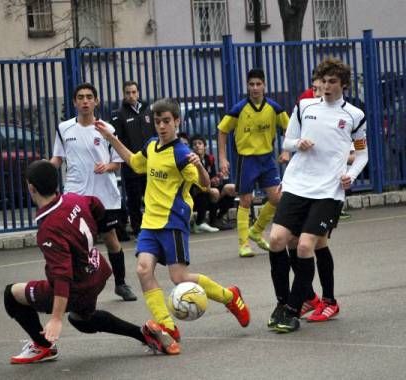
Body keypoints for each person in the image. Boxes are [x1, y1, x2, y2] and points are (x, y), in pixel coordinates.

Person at [95, 98, 250, 355]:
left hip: (173, 221)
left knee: (179, 278)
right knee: (144, 270)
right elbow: (135, 163)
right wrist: (111, 139)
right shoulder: (152, 146)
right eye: (157, 122)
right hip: (150, 221)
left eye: (166, 121)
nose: (162, 126)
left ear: (176, 121)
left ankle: (230, 296)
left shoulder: (181, 153)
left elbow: (203, 184)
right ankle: (168, 327)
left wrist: (199, 165)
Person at [4, 160, 164, 364]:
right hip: (96, 273)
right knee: (82, 319)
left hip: (75, 286)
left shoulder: (49, 228)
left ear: (31, 187)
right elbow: (95, 203)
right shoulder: (72, 199)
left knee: (11, 294)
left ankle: (43, 346)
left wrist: (55, 319)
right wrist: (102, 231)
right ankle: (144, 334)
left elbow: (62, 275)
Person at [267, 58, 368, 333]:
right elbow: (287, 141)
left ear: (343, 84)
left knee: (305, 246)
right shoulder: (304, 106)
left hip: (328, 191)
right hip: (298, 184)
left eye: (332, 81)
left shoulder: (354, 115)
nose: (326, 86)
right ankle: (282, 302)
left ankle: (292, 309)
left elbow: (362, 153)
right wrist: (298, 143)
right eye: (323, 81)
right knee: (276, 240)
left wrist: (352, 174)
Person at [50, 83, 137, 302]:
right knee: (73, 242)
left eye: (89, 97)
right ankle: (73, 287)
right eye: (80, 97)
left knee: (110, 239)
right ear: (74, 102)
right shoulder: (64, 129)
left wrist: (106, 167)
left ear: (96, 101)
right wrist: (42, 170)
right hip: (75, 194)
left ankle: (121, 283)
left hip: (103, 196)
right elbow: (57, 159)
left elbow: (117, 163)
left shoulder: (107, 129)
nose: (85, 101)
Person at [217, 68, 290, 257]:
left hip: (267, 159)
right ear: (247, 87)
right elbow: (222, 131)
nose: (255, 88)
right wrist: (223, 158)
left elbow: (290, 129)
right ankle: (244, 244)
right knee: (246, 200)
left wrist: (285, 150)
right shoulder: (239, 109)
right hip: (247, 159)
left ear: (264, 86)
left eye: (258, 84)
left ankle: (256, 231)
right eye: (251, 84)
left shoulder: (274, 108)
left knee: (277, 198)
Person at [111, 81, 156, 238]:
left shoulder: (148, 110)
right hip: (131, 163)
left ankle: (153, 226)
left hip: (150, 162)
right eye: (128, 92)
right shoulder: (119, 114)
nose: (131, 95)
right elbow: (118, 140)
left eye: (134, 92)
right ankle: (137, 229)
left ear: (138, 93)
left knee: (151, 196)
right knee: (134, 198)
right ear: (124, 94)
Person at [190, 134, 235, 231]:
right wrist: (210, 186)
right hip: (196, 191)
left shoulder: (209, 159)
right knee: (215, 192)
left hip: (209, 187)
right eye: (194, 144)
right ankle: (204, 221)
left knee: (231, 188)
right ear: (192, 148)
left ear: (205, 146)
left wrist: (217, 178)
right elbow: (194, 182)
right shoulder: (191, 161)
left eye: (200, 143)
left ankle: (219, 218)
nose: (197, 146)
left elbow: (212, 177)